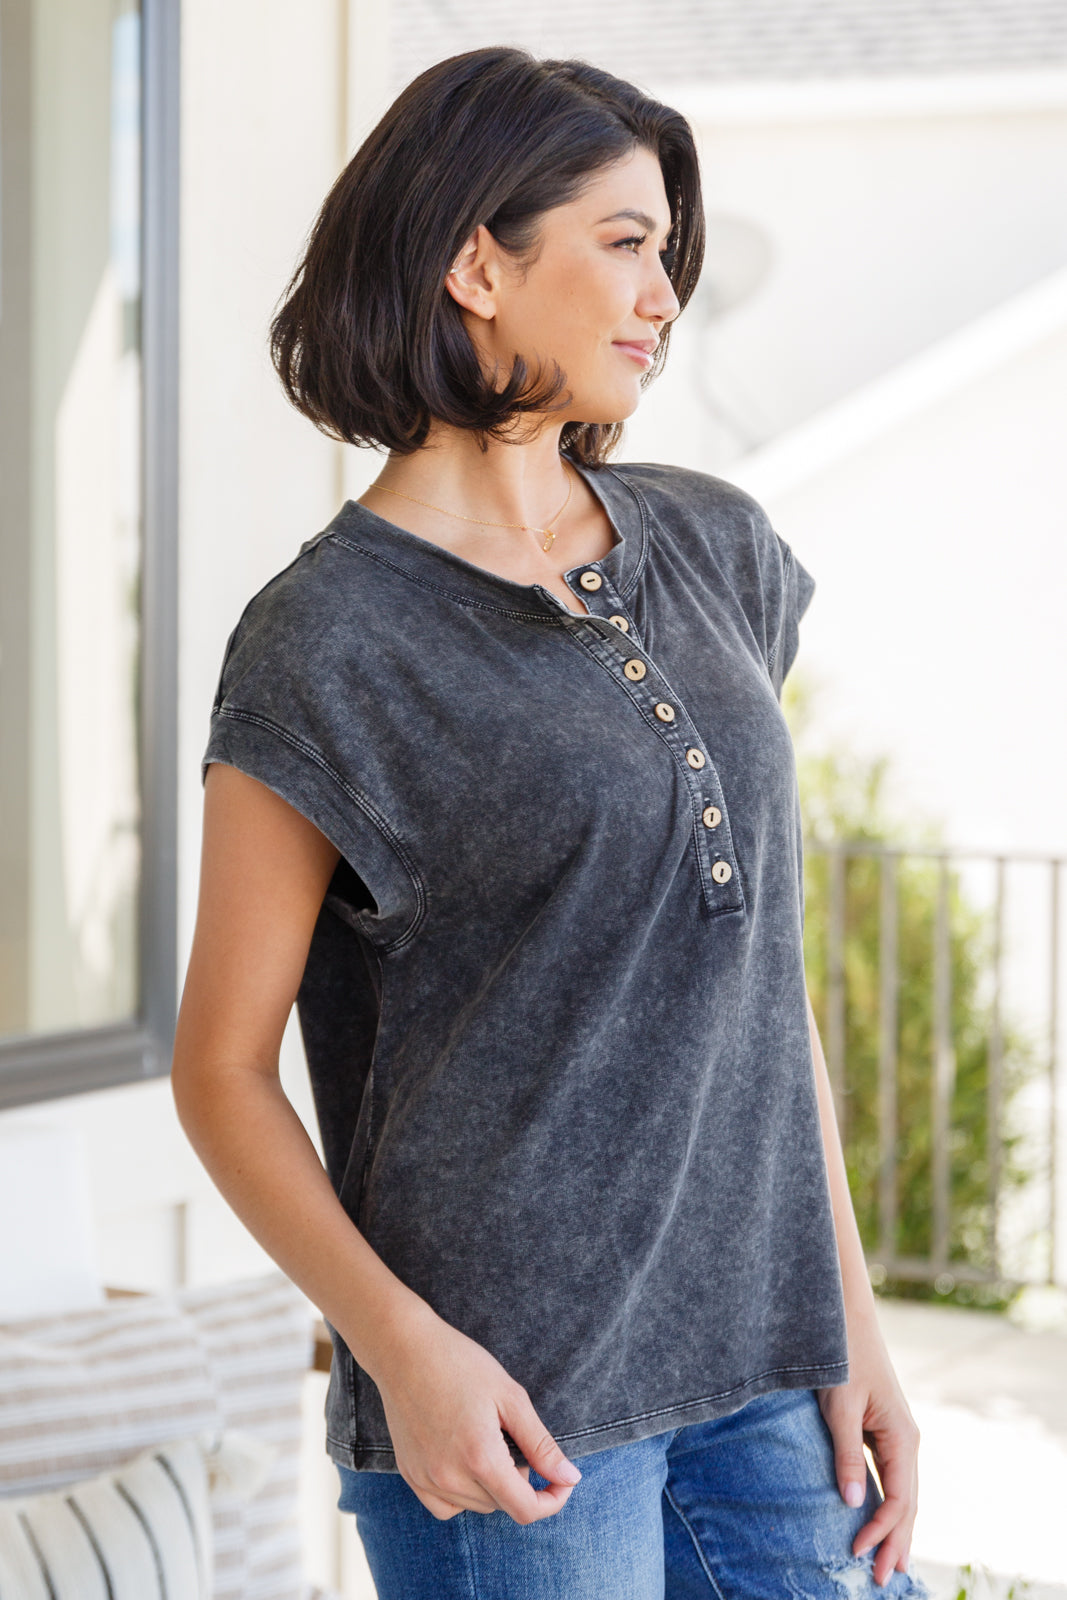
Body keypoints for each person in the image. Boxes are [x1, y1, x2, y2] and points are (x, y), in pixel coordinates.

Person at [171, 45, 927, 1600]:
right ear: (477, 266)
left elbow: (757, 978)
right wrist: (404, 1353)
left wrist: (849, 1319)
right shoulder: (326, 644)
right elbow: (222, 1070)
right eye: (626, 243)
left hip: (769, 1377)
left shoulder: (714, 546)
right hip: (512, 1415)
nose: (664, 295)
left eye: (670, 254)